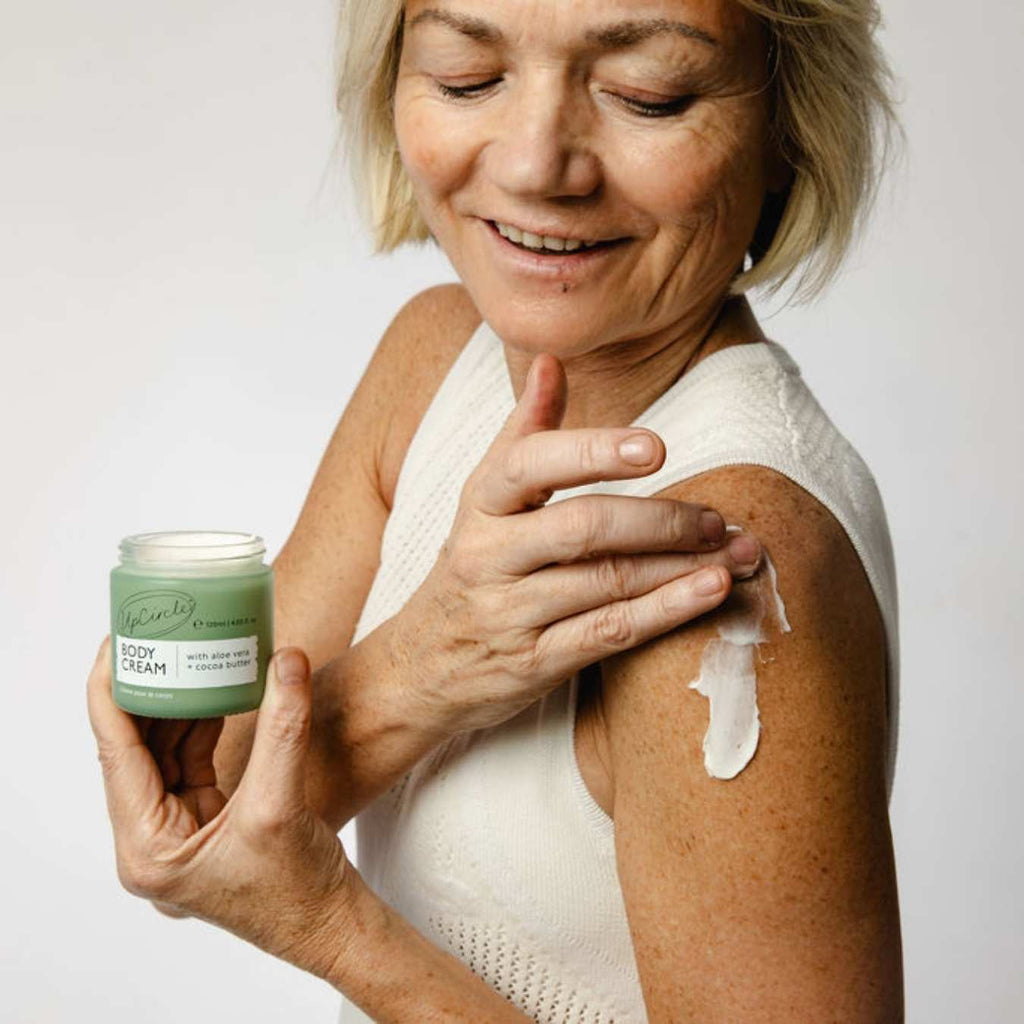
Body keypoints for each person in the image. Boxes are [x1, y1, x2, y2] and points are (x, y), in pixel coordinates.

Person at [88, 0, 905, 1019]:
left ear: (787, 126)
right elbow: (206, 805)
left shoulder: (720, 562)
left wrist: (334, 930)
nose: (533, 166)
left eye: (646, 93)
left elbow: (243, 850)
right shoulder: (435, 360)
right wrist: (421, 666)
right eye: (467, 75)